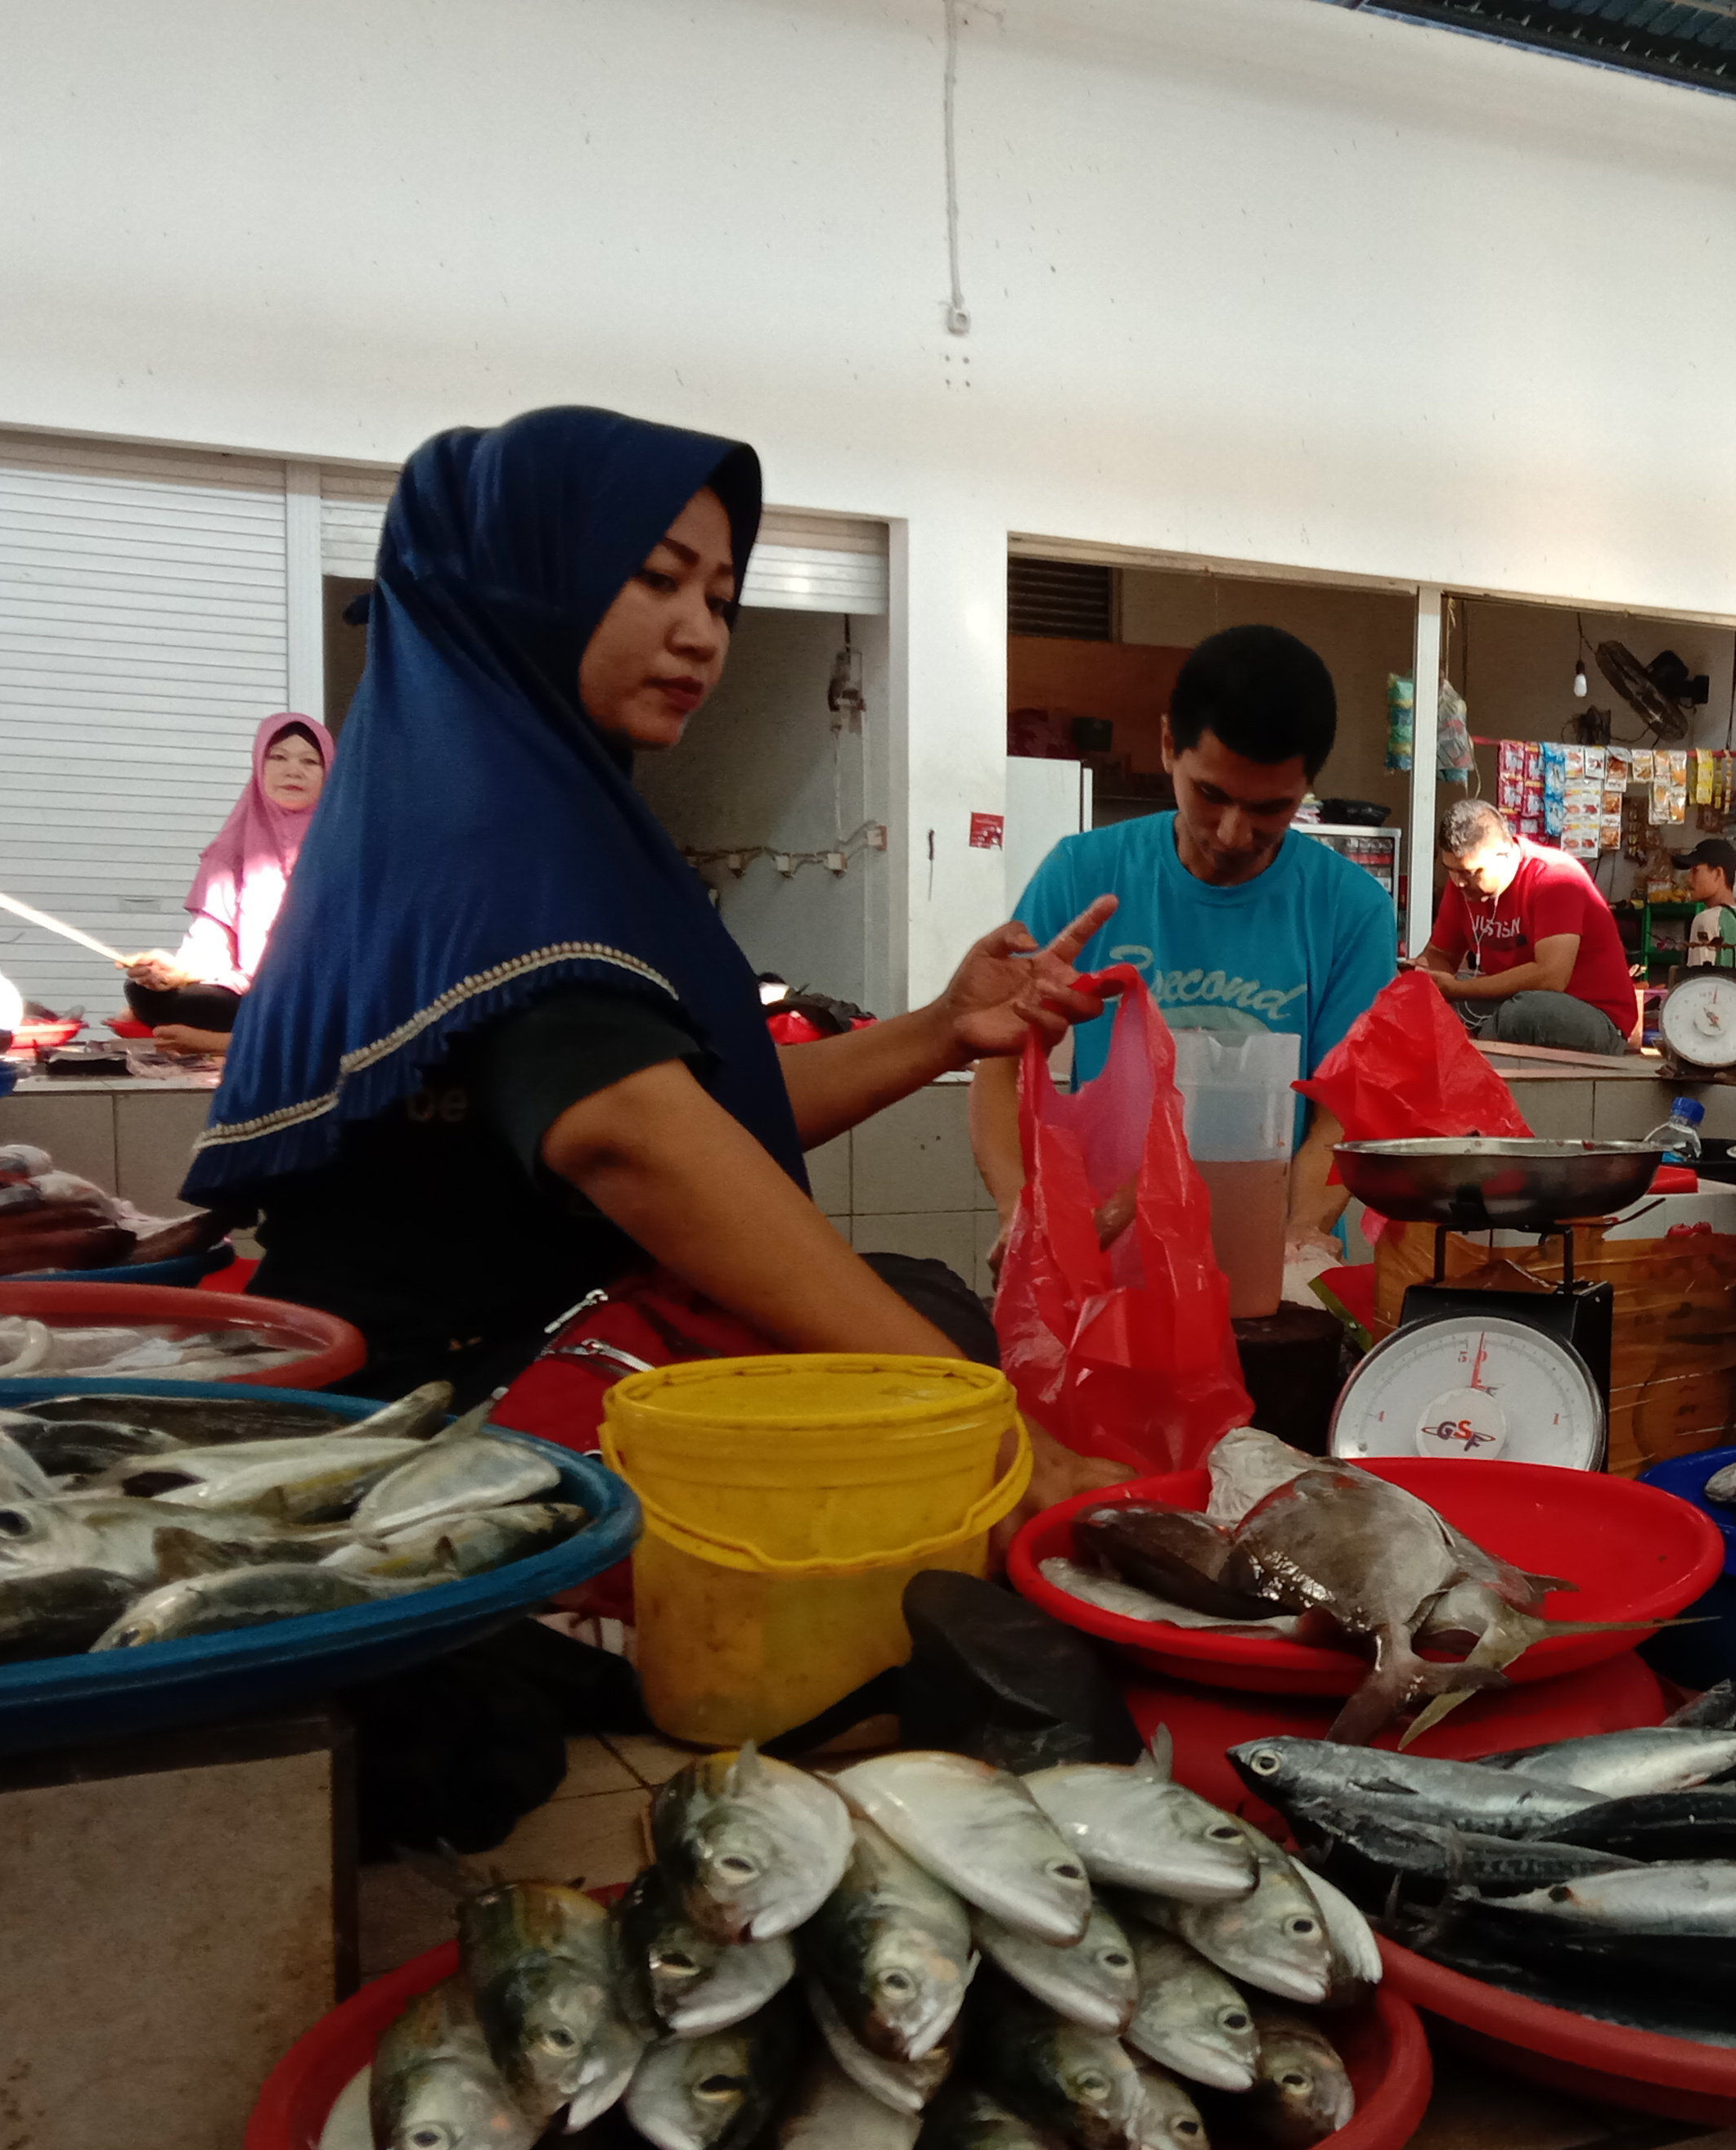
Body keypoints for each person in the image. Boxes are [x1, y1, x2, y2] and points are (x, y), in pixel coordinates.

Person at [184, 405, 1122, 1505]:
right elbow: (635, 1136)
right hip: (425, 1454)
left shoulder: (517, 811)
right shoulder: (486, 834)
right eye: (657, 578)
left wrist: (942, 1030)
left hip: (484, 1380)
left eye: (720, 599)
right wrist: (988, 1428)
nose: (702, 634)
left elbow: (696, 1110)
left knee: (918, 1297)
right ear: (526, 580)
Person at [980, 625, 1396, 1260]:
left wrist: (1296, 1239)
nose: (1232, 834)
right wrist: (1020, 1208)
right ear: (1169, 745)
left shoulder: (1351, 909)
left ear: (1307, 784)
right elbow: (1000, 1063)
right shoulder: (1080, 874)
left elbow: (1342, 1114)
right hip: (1108, 1252)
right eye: (1211, 795)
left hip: (1267, 1253)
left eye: (1269, 809)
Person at [123, 711, 332, 1035]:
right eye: (278, 757)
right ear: (259, 766)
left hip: (328, 994)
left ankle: (257, 1035)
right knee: (145, 994)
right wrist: (177, 972)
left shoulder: (349, 845)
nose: (293, 770)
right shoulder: (231, 850)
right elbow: (211, 940)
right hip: (253, 995)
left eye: (310, 761)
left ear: (329, 771)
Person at [1412, 798, 1637, 1053]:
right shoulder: (1462, 887)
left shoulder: (1556, 878)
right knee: (1422, 1004)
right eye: (1451, 870)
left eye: (1470, 872)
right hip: (1510, 1000)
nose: (1459, 882)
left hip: (1595, 1016)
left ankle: (1473, 1058)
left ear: (1504, 853)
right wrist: (1426, 976)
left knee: (1522, 1013)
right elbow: (1441, 954)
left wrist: (1457, 989)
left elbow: (1551, 977)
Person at [1680, 838, 1736, 983]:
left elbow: (1697, 985)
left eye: (1695, 871)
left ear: (1718, 874)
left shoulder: (1706, 920)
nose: (1689, 879)